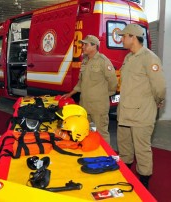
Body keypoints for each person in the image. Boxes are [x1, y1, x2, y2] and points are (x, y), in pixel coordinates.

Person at [116, 24, 166, 189]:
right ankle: (126, 176)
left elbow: (159, 86)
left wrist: (158, 101)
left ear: (132, 37)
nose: (121, 39)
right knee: (124, 147)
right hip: (125, 113)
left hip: (141, 114)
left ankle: (144, 184)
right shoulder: (128, 58)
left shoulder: (149, 58)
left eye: (124, 36)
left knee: (142, 150)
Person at [62, 35, 118, 144]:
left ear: (94, 46)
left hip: (98, 106)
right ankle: (92, 153)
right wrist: (70, 94)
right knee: (89, 131)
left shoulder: (103, 61)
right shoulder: (85, 61)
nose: (82, 47)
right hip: (85, 105)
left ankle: (106, 159)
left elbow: (113, 82)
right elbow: (81, 82)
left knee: (101, 133)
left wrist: (103, 95)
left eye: (85, 44)